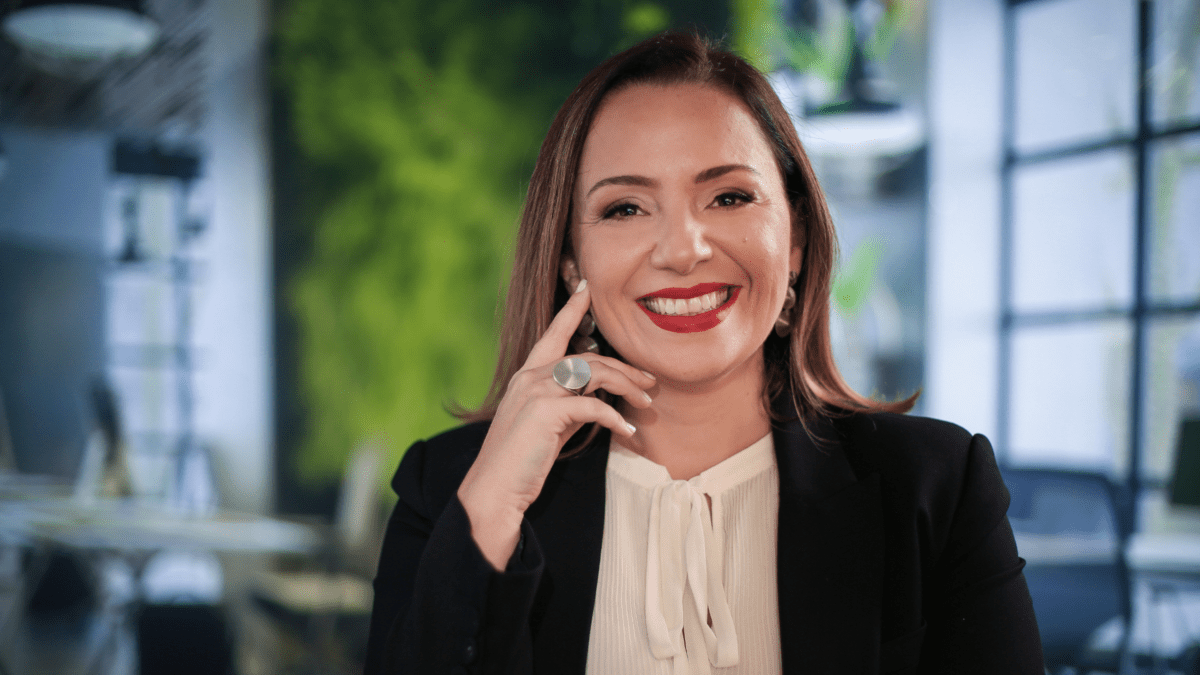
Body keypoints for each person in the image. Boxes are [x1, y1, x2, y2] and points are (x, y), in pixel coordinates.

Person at [364, 31, 1043, 675]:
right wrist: (490, 512)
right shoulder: (452, 486)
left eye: (729, 196)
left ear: (796, 238)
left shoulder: (935, 489)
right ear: (572, 263)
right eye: (626, 208)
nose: (683, 250)